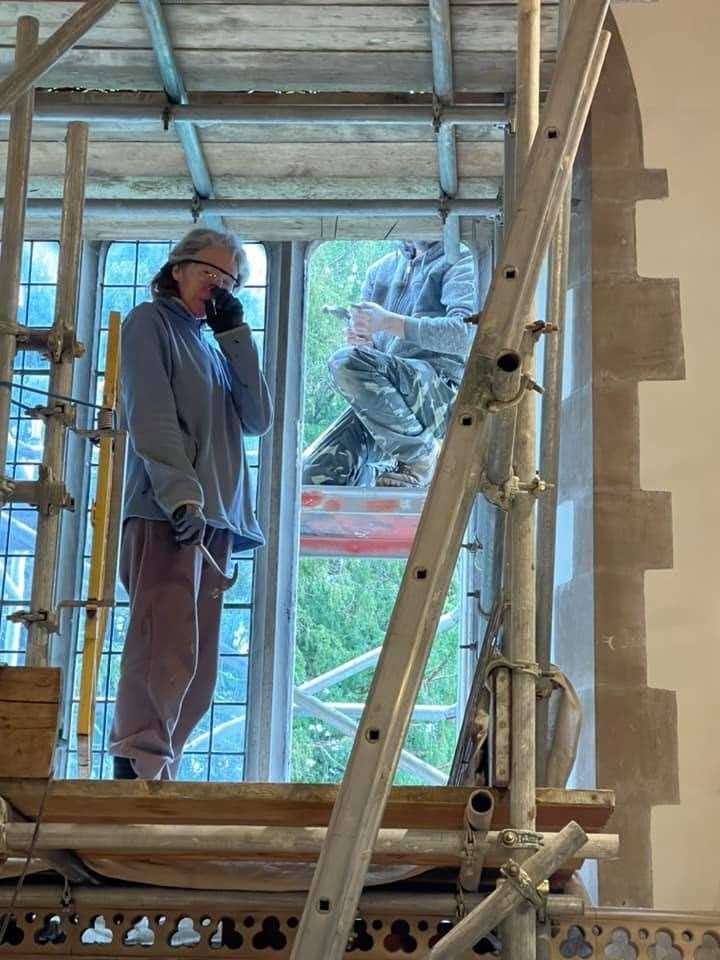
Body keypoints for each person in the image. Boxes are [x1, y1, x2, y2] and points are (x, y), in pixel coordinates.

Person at [108, 228, 272, 780]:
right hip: (170, 512)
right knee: (165, 642)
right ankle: (136, 759)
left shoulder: (212, 343)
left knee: (199, 662)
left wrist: (236, 335)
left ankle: (160, 763)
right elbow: (151, 417)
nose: (219, 286)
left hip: (216, 519)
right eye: (211, 273)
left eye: (232, 281)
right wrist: (181, 497)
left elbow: (257, 419)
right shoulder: (149, 324)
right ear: (178, 267)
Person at [302, 240, 476, 487]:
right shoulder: (380, 270)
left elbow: (465, 335)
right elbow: (370, 355)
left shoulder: (460, 259)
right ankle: (384, 473)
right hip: (392, 406)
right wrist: (365, 344)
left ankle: (422, 458)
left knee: (344, 362)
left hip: (442, 396)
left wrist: (388, 322)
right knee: (313, 474)